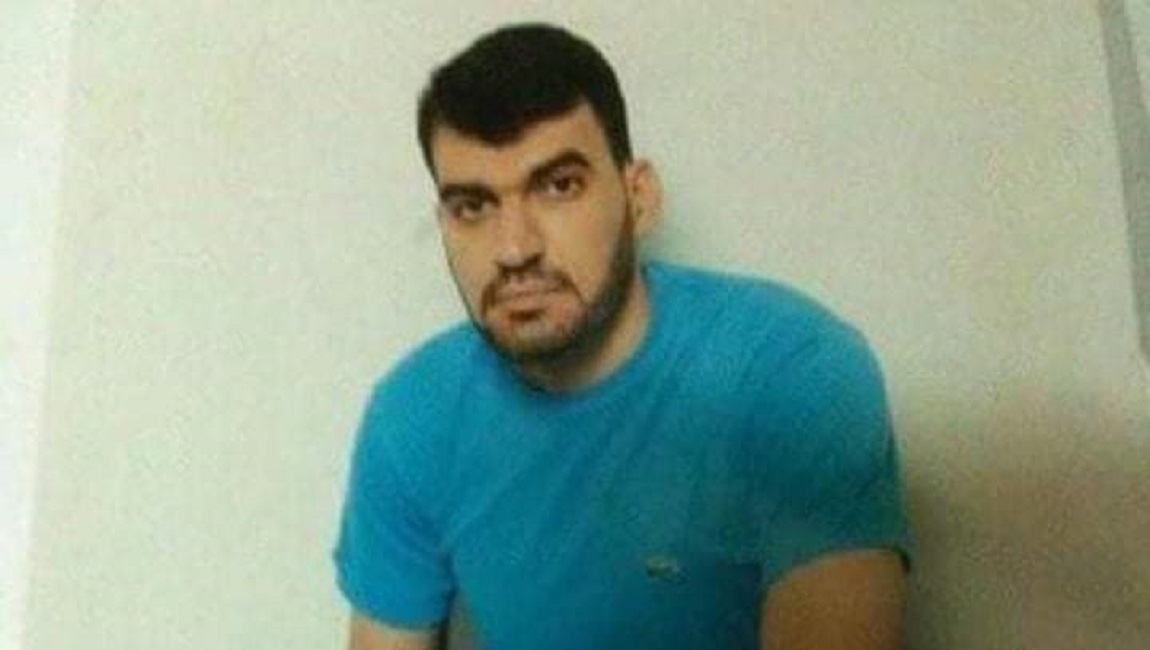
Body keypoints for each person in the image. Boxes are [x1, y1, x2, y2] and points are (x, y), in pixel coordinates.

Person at [334, 23, 912, 650]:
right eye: (472, 206)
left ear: (638, 197)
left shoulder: (792, 373)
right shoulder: (413, 415)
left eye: (559, 186)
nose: (514, 248)